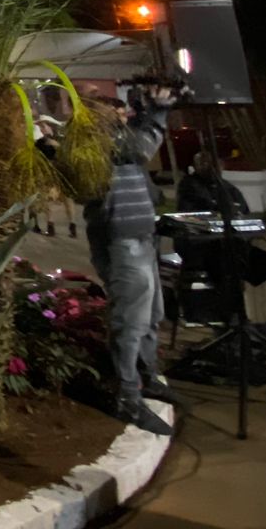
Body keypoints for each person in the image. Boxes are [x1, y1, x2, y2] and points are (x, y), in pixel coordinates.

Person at [82, 89, 185, 435]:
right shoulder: (88, 140)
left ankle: (146, 376)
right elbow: (140, 149)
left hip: (142, 237)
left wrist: (148, 113)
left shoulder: (118, 138)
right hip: (121, 241)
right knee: (131, 320)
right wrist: (157, 112)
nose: (120, 111)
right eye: (110, 107)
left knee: (152, 315)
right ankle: (127, 395)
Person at [176, 150, 266, 322]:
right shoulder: (189, 186)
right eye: (204, 163)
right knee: (230, 273)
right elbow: (193, 219)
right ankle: (235, 324)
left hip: (237, 247)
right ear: (196, 167)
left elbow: (243, 215)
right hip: (206, 250)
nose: (211, 168)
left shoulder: (229, 188)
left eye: (215, 163)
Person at [28, 116, 77, 238]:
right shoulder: (45, 142)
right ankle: (67, 227)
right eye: (42, 125)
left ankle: (55, 227)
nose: (43, 127)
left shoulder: (44, 143)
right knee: (63, 201)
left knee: (53, 201)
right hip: (58, 174)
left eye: (45, 125)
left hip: (53, 174)